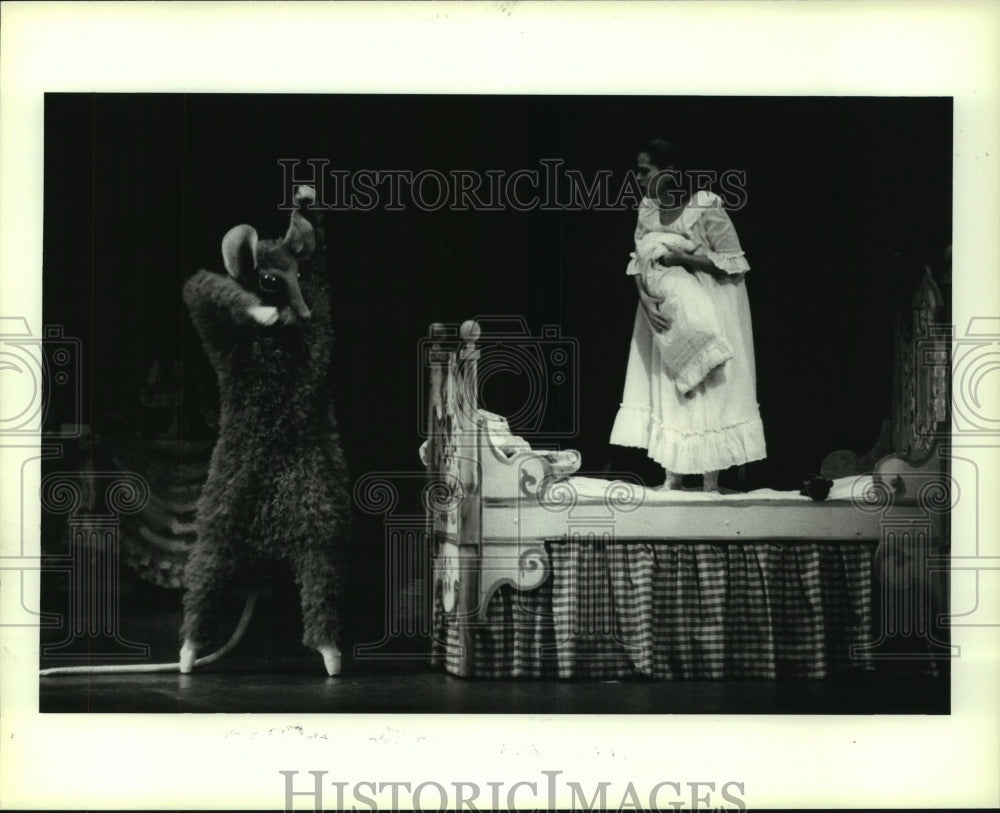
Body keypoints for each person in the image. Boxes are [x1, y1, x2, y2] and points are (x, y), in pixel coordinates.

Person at [609, 139, 766, 491]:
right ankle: (672, 476)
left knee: (709, 387)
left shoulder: (705, 205)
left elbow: (733, 261)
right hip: (663, 308)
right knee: (670, 385)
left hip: (709, 306)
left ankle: (711, 479)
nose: (638, 178)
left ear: (669, 172)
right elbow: (638, 262)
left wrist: (683, 260)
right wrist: (646, 300)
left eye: (644, 170)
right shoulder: (647, 209)